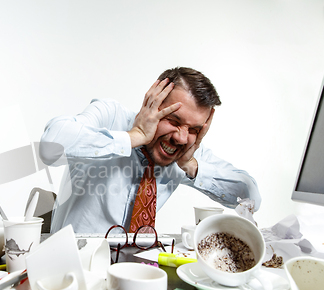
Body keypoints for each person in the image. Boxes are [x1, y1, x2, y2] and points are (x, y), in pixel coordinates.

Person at [40, 67, 261, 234]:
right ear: (152, 103)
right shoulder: (110, 117)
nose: (181, 137)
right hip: (74, 272)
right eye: (173, 120)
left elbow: (250, 198)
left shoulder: (187, 152)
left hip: (136, 276)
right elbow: (50, 147)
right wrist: (133, 137)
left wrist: (190, 166)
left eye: (193, 129)